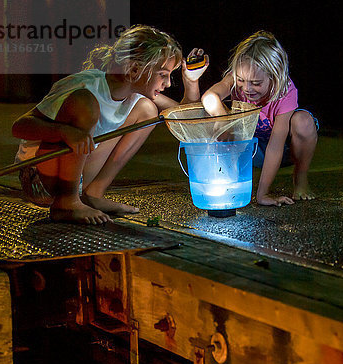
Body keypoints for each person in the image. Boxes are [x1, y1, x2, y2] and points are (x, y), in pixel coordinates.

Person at [12, 25, 209, 225]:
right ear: (134, 70)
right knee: (85, 103)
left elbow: (186, 118)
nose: (167, 83)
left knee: (147, 110)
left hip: (76, 177)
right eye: (163, 74)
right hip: (40, 179)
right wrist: (65, 132)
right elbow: (20, 126)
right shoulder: (85, 86)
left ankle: (93, 194)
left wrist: (191, 81)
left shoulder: (135, 94)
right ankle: (66, 202)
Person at [201, 30, 318, 206]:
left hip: (285, 150)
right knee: (216, 119)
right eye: (241, 80)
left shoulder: (285, 91)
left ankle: (300, 177)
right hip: (251, 147)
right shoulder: (235, 80)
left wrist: (262, 194)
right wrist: (222, 118)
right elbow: (209, 97)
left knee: (303, 122)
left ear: (275, 76)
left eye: (256, 83)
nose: (247, 88)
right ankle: (229, 177)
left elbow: (275, 146)